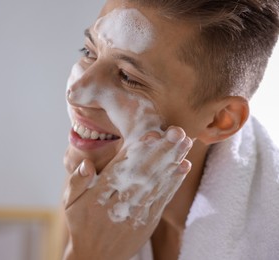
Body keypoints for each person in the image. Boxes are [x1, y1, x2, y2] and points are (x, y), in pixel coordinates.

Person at [61, 0, 279, 259]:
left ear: (219, 120)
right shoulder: (95, 190)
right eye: (89, 53)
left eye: (128, 77)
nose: (76, 93)